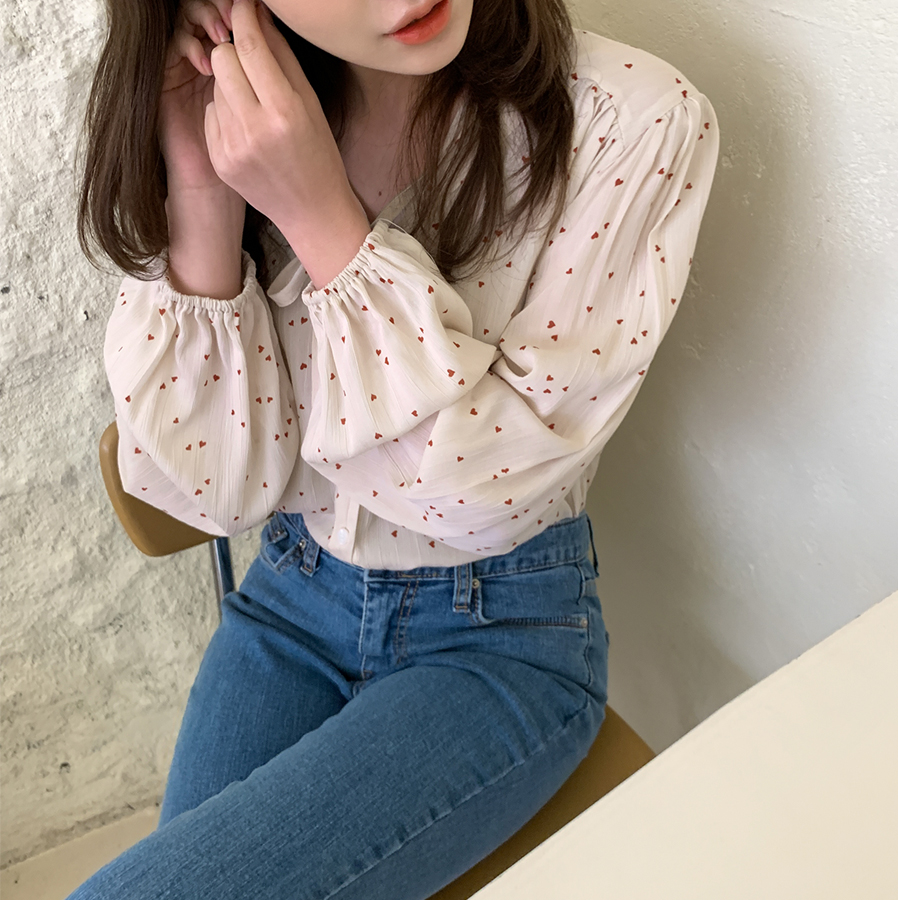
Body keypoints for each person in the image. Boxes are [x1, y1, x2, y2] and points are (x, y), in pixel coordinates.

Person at [70, 0, 719, 896]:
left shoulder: (630, 120)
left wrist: (321, 218)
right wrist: (203, 187)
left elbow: (473, 500)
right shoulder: (239, 117)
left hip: (501, 637)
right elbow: (209, 493)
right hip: (292, 600)